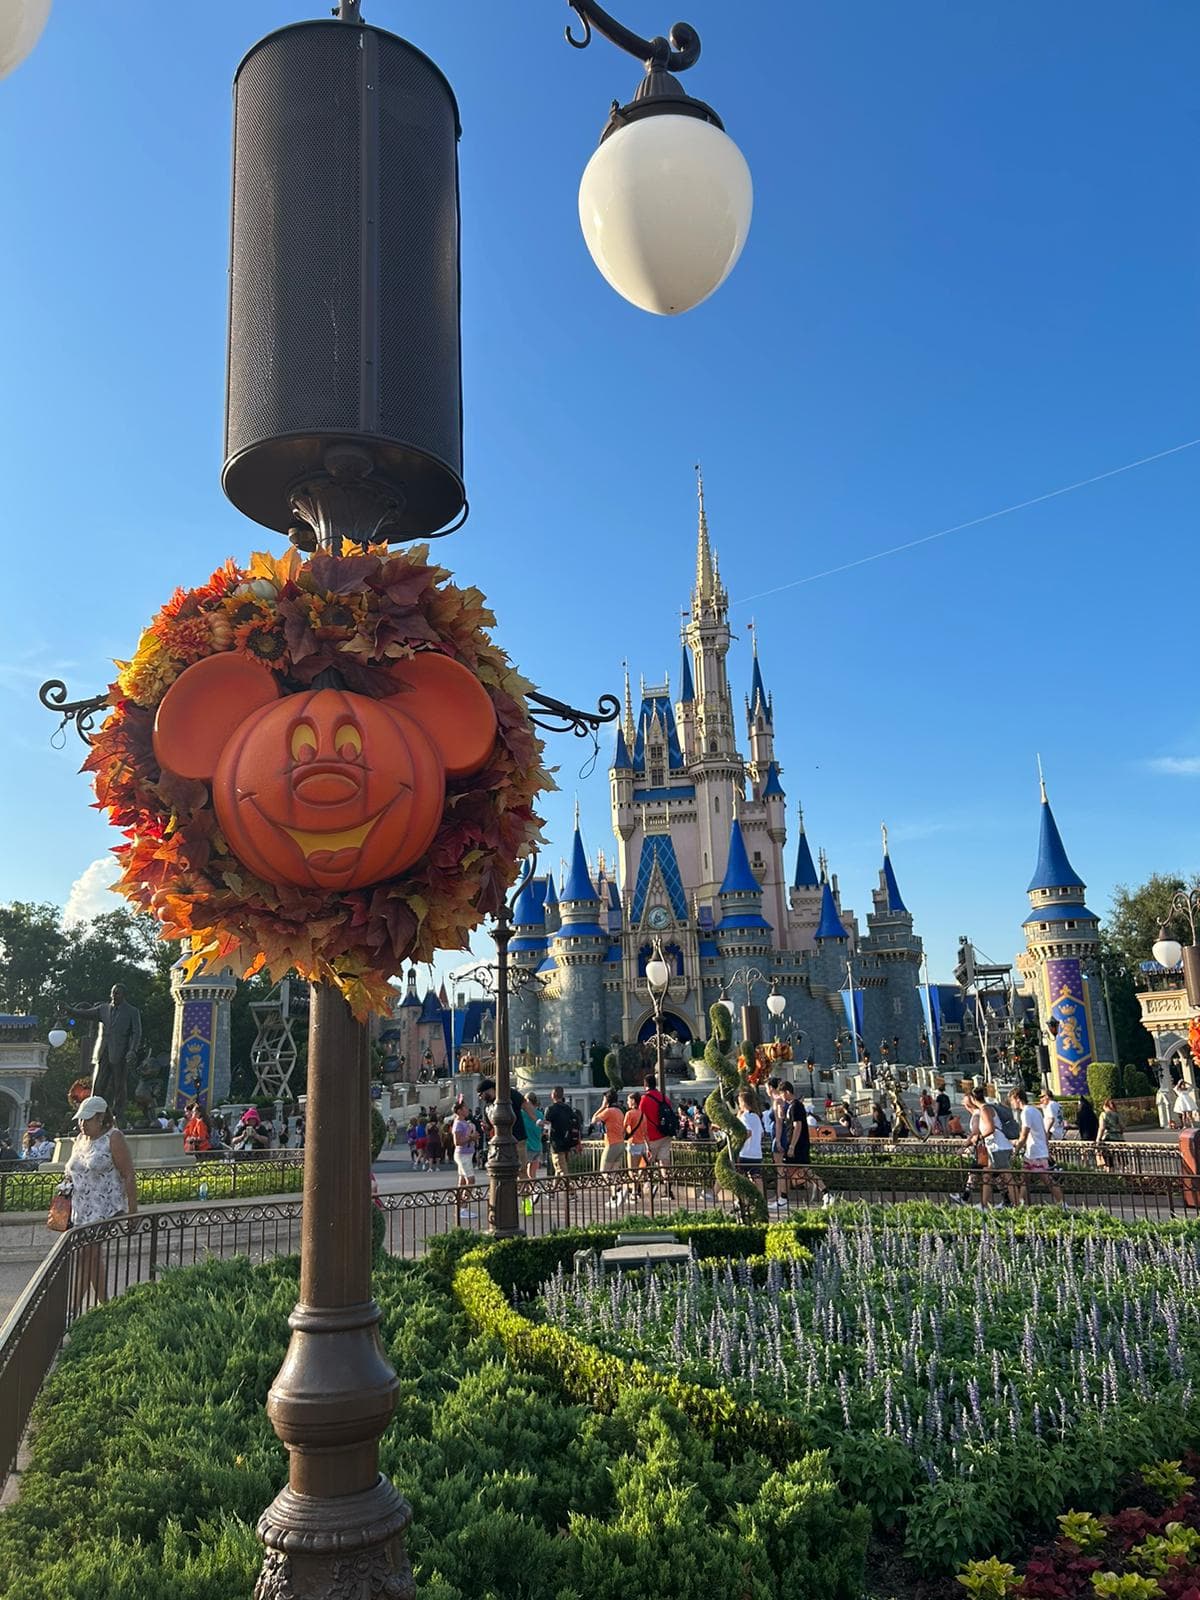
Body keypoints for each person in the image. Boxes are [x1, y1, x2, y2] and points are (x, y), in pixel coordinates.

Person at [64, 1095, 137, 1310]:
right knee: (91, 1258)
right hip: (81, 1209)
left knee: (87, 1255)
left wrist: (132, 1212)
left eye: (87, 1120)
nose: (82, 1124)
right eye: (80, 1120)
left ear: (101, 1118)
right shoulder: (80, 1139)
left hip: (104, 1208)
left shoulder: (114, 1137)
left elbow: (128, 1174)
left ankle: (70, 1311)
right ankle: (105, 1305)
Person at [68, 985, 143, 1123]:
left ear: (123, 995)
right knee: (98, 1084)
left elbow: (136, 1033)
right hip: (103, 1051)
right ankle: (92, 1115)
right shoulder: (104, 1009)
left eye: (118, 993)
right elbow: (86, 1013)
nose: (114, 995)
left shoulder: (132, 1011)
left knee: (119, 1085)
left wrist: (132, 1050)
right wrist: (69, 1010)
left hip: (120, 1053)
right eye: (113, 993)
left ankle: (119, 1115)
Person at [1010, 1088, 1063, 1205]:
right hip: (1035, 1151)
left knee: (1047, 1180)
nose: (1011, 1104)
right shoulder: (1034, 1111)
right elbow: (1043, 1132)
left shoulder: (1026, 1112)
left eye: (1012, 1100)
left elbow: (1024, 1134)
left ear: (1017, 1099)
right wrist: (1046, 1149)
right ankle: (1020, 1203)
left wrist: (1016, 1150)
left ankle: (1063, 1204)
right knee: (1025, 1180)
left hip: (1035, 1152)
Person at [963, 1087, 1012, 1207]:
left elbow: (991, 1128)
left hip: (998, 1147)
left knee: (1008, 1178)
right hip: (994, 1147)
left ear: (974, 1099)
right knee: (987, 1176)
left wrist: (978, 1137)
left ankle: (1015, 1204)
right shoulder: (985, 1108)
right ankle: (985, 1205)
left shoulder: (984, 1109)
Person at [638, 1072, 677, 1175]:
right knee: (664, 1161)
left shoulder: (644, 1099)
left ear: (645, 1085)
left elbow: (640, 1117)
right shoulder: (664, 1098)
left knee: (646, 1162)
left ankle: (642, 1186)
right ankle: (667, 1184)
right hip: (665, 1134)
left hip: (652, 1136)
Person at [591, 1089, 627, 1194]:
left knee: (604, 1171)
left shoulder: (608, 1111)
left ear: (607, 1100)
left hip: (612, 1144)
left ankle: (619, 1187)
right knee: (614, 1172)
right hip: (621, 1143)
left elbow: (594, 1120)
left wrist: (602, 1107)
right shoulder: (620, 1111)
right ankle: (614, 1195)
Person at [450, 1097, 477, 1210]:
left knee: (462, 1180)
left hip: (466, 1154)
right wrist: (471, 1137)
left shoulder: (463, 1122)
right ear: (460, 1111)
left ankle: (460, 1204)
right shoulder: (458, 1124)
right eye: (465, 1107)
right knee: (470, 1180)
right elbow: (457, 1142)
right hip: (463, 1154)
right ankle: (464, 1205)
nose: (467, 1109)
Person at [543, 1086, 576, 1178]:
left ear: (553, 1095)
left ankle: (572, 1190)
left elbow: (546, 1126)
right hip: (567, 1142)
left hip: (556, 1143)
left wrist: (544, 1134)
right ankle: (553, 1190)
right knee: (560, 1167)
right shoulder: (568, 1108)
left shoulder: (550, 1109)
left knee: (561, 1170)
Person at [735, 1089, 765, 1182]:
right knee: (756, 1177)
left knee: (739, 1176)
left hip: (745, 1152)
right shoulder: (756, 1116)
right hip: (756, 1153)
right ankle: (760, 1195)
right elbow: (762, 1133)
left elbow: (748, 1132)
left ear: (743, 1103)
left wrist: (738, 1142)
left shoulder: (744, 1116)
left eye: (739, 1102)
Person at [522, 1092, 545, 1183]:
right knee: (532, 1174)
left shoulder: (523, 1113)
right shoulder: (540, 1114)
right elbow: (542, 1131)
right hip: (538, 1146)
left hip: (527, 1146)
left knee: (523, 1173)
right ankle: (534, 1191)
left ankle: (527, 1194)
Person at [1096, 1097, 1124, 1168]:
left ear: (1105, 1106)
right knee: (1121, 1157)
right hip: (1119, 1138)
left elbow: (1102, 1128)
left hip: (1108, 1138)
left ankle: (1110, 1172)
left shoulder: (1103, 1114)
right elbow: (1122, 1126)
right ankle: (1125, 1172)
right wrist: (1119, 1131)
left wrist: (1098, 1139)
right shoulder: (1117, 1114)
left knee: (1108, 1159)